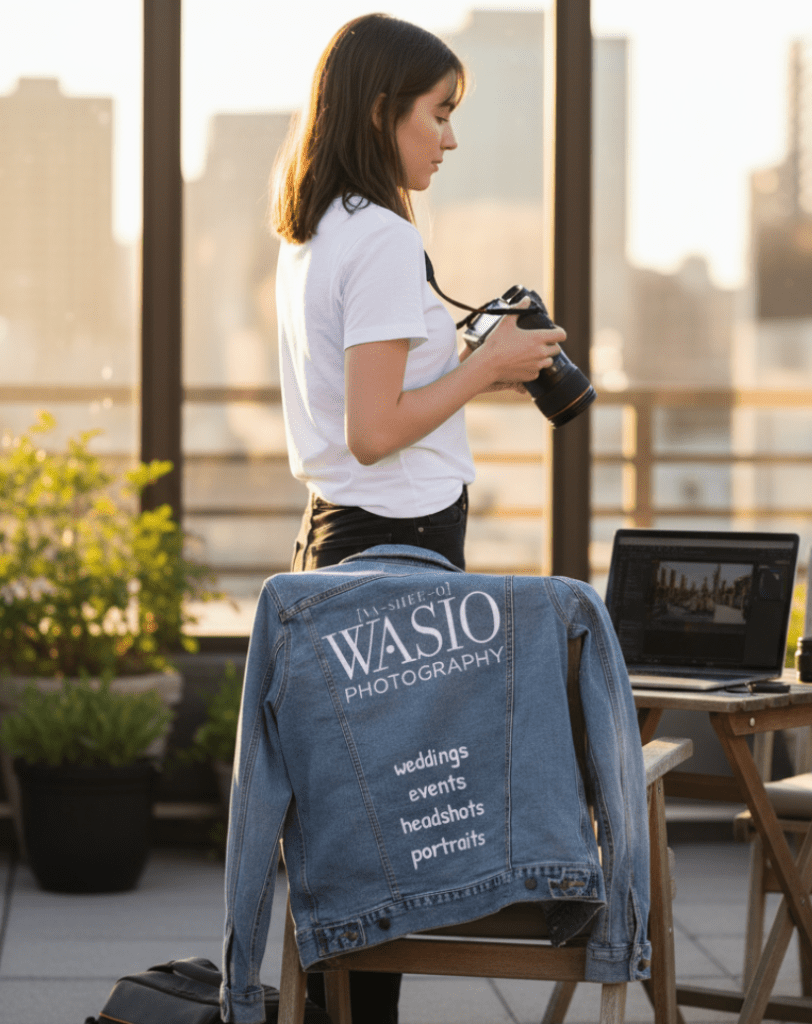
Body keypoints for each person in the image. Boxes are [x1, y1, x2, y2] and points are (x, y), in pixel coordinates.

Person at [267, 12, 566, 1022]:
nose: (448, 135)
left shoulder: (318, 232)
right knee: (392, 857)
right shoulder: (386, 238)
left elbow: (360, 420)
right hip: (396, 560)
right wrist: (485, 366)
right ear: (380, 109)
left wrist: (461, 353)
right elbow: (373, 426)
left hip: (335, 546)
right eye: (438, 113)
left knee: (347, 856)